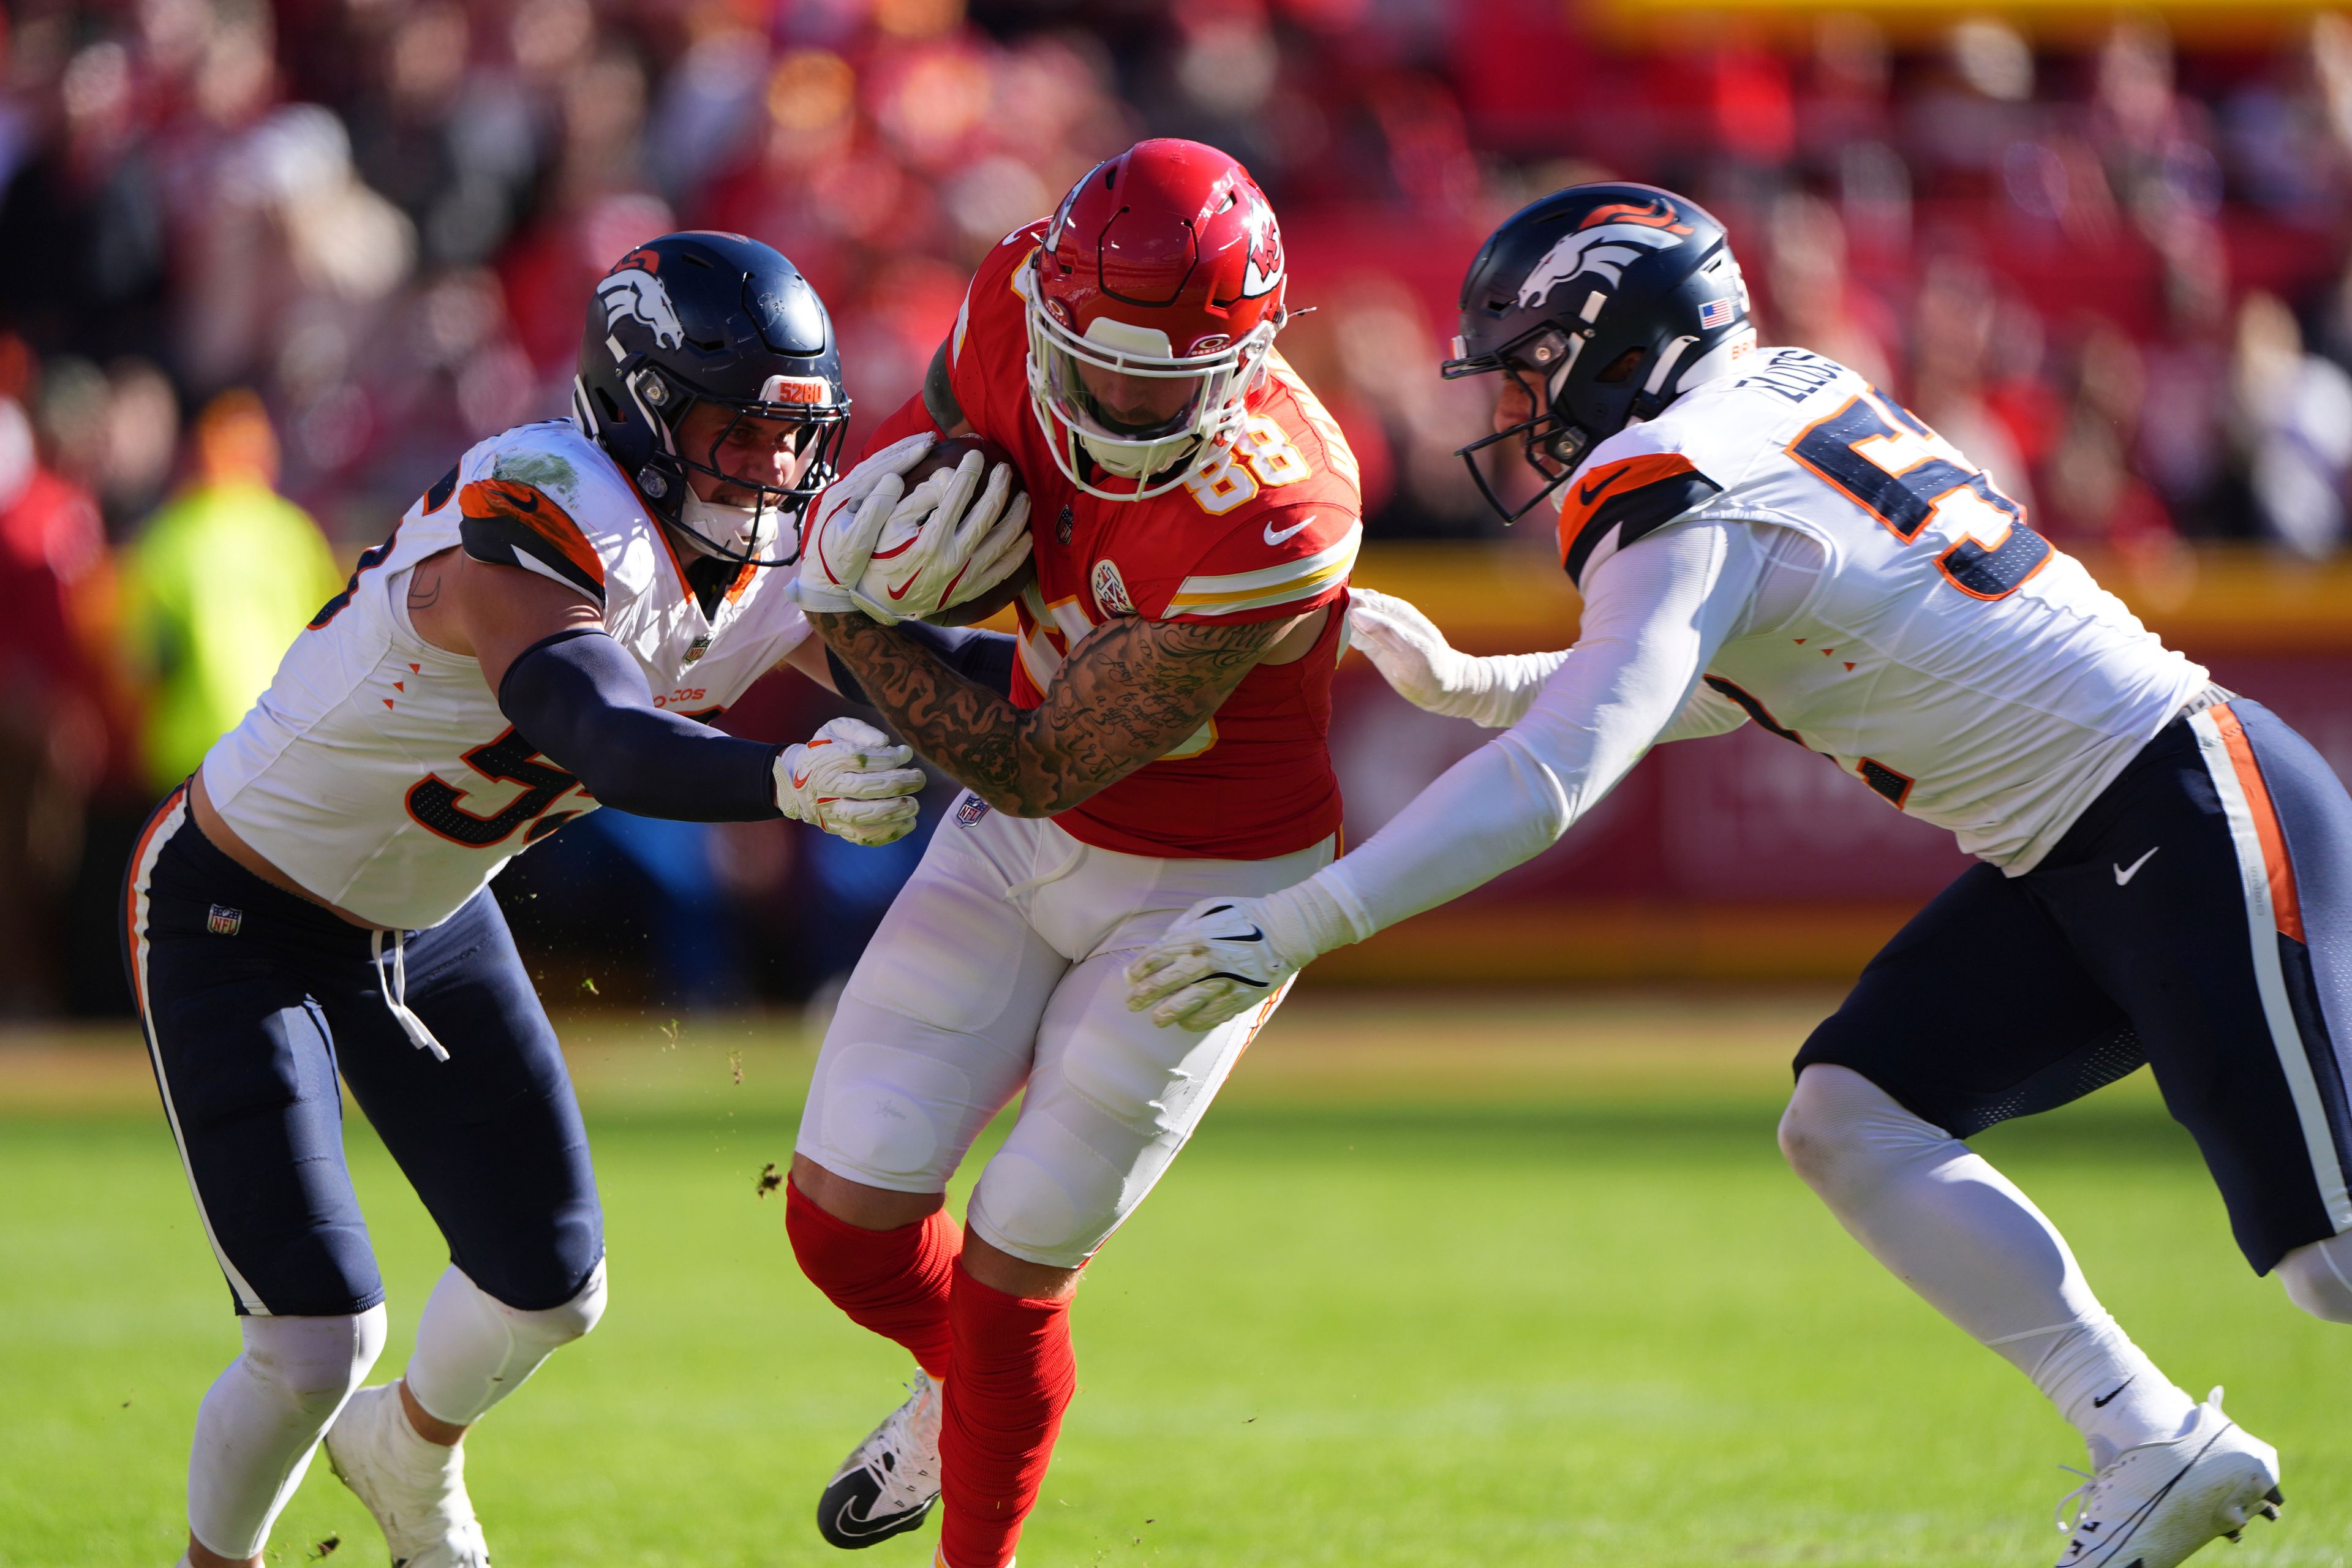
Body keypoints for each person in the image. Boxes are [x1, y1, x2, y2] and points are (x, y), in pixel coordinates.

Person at [1127, 182, 2342, 1568]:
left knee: (2333, 1261)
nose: (1519, 398)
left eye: (1530, 359)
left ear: (1614, 340)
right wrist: (1483, 684)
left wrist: (1305, 917)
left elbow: (1562, 772)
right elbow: (1746, 666)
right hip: (2082, 840)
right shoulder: (1774, 401)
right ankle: (2146, 1437)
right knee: (1852, 1113)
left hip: (2180, 807)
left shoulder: (1673, 473)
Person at [124, 230, 1027, 1568]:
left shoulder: (758, 558)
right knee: (317, 1338)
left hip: (426, 917)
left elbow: (934, 675)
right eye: (739, 428)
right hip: (240, 913)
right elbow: (594, 723)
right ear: (643, 405)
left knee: (552, 1287)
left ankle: (409, 1453)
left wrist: (1177, 678)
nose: (775, 470)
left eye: (795, 436)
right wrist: (783, 778)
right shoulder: (539, 502)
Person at [783, 139, 1363, 1568]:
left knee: (1015, 1268)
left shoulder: (1282, 502)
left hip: (1204, 890)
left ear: (1245, 356)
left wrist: (847, 621)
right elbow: (945, 470)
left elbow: (1041, 756)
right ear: (1042, 304)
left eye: (1164, 381)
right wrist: (894, 544)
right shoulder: (999, 301)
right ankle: (968, 1391)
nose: (1118, 403)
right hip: (1024, 842)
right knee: (842, 1217)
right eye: (1096, 365)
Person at [120, 390, 344, 796]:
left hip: (193, 754)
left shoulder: (170, 535)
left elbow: (143, 661)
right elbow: (332, 644)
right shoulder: (295, 533)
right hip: (281, 745)